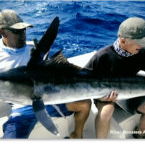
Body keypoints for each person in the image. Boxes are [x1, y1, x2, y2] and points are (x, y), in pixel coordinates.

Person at [0, 9, 91, 139]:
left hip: (48, 100)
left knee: (85, 104)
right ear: (2, 31)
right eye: (17, 31)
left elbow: (47, 74)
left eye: (24, 30)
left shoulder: (34, 48)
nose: (23, 35)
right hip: (21, 109)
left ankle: (77, 135)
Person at [85, 17, 145, 139]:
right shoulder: (102, 56)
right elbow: (83, 82)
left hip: (131, 94)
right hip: (105, 95)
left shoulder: (142, 53)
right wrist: (101, 97)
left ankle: (139, 135)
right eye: (141, 42)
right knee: (106, 112)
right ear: (124, 41)